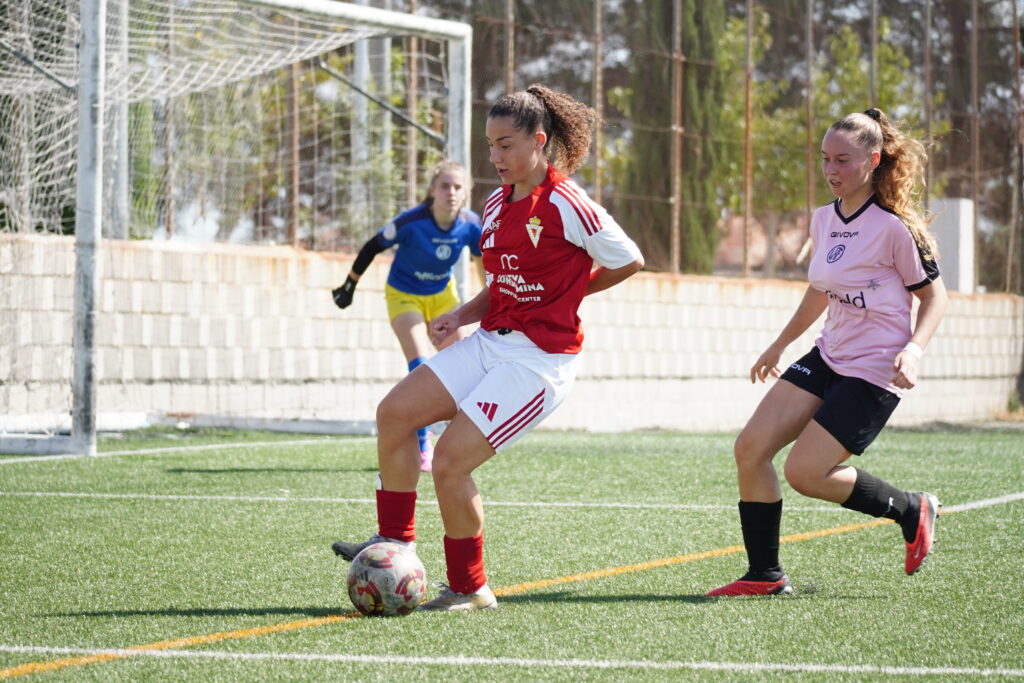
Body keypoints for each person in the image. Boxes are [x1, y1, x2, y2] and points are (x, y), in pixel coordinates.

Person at [331, 84, 644, 611]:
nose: (494, 157)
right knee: (394, 414)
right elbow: (503, 282)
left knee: (451, 461)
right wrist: (462, 314)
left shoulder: (569, 202)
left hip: (538, 362)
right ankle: (395, 546)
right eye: (489, 145)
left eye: (504, 145)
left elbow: (630, 257)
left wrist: (571, 292)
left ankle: (470, 588)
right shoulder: (496, 204)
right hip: (489, 342)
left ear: (538, 143)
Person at [706, 107, 948, 597]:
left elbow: (934, 296)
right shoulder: (823, 218)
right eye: (825, 160)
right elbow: (821, 290)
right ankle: (765, 576)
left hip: (874, 369)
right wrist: (778, 345)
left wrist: (915, 349)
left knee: (805, 473)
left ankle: (910, 508)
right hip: (828, 354)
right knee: (750, 449)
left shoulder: (896, 228)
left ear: (874, 160)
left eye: (843, 160)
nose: (832, 170)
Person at [332, 160, 482, 472]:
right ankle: (422, 443)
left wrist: (494, 298)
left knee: (463, 363)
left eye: (458, 187)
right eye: (445, 186)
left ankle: (460, 442)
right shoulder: (411, 222)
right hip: (404, 296)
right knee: (420, 361)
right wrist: (349, 285)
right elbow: (373, 246)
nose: (451, 192)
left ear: (466, 193)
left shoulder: (470, 225)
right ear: (432, 190)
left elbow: (482, 260)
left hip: (443, 296)